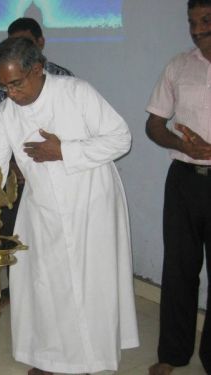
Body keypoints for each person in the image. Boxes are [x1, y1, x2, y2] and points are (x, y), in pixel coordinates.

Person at [0, 37, 139, 374]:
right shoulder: (7, 113)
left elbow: (120, 137)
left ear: (37, 69)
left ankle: (91, 362)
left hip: (91, 205)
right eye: (2, 85)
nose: (10, 93)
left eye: (16, 83)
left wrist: (65, 151)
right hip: (42, 208)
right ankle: (52, 360)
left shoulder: (76, 93)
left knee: (90, 287)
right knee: (45, 290)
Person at [0, 18, 74, 308]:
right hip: (15, 176)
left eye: (26, 43)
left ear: (40, 44)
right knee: (11, 232)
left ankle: (51, 295)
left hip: (53, 176)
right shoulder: (5, 83)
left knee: (49, 238)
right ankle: (16, 289)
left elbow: (70, 138)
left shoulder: (65, 80)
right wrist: (13, 165)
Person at [145, 1, 211, 374]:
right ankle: (172, 353)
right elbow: (154, 125)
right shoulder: (178, 65)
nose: (197, 29)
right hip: (184, 180)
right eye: (192, 22)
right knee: (179, 268)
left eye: (206, 21)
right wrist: (180, 143)